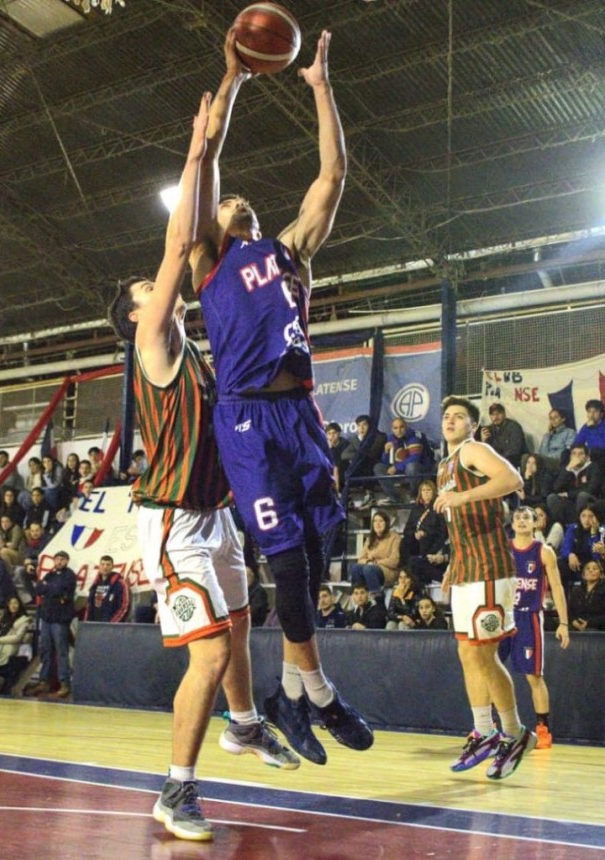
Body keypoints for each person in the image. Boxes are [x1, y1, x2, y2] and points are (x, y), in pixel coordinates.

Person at [107, 90, 297, 843]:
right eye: (145, 291)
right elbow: (178, 244)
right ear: (133, 314)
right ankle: (175, 791)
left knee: (243, 623)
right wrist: (198, 151)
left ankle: (245, 726)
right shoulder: (151, 345)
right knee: (211, 652)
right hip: (173, 524)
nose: (157, 288)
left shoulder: (198, 354)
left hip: (216, 515)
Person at [189, 28, 373, 770]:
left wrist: (321, 88)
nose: (240, 204)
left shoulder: (288, 252)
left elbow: (332, 175)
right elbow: (207, 167)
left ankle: (293, 692)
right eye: (230, 203)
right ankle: (315, 689)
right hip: (243, 413)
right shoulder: (208, 259)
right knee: (288, 559)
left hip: (300, 410)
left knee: (321, 542)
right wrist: (231, 81)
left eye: (245, 203)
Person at [434, 395, 534, 780]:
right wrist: (453, 564)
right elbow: (460, 522)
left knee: (485, 655)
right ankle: (484, 730)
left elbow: (513, 479)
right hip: (466, 567)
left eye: (459, 416)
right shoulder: (445, 464)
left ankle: (514, 733)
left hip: (490, 568)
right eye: (446, 416)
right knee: (467, 654)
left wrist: (462, 495)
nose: (451, 421)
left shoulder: (474, 450)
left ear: (472, 425)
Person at [501, 507, 570, 749]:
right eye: (517, 517)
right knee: (491, 671)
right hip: (502, 616)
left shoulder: (544, 551)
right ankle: (488, 730)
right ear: (512, 522)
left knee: (534, 676)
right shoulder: (503, 549)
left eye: (526, 518)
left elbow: (558, 588)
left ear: (535, 523)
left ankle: (543, 730)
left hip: (528, 617)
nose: (521, 521)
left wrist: (563, 622)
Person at [35, 549, 77, 699]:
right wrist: (50, 589)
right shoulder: (50, 574)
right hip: (46, 617)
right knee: (45, 650)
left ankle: (64, 683)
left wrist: (49, 588)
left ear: (67, 561)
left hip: (60, 619)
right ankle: (44, 680)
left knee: (61, 652)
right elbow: (39, 589)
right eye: (57, 559)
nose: (59, 562)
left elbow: (60, 590)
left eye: (62, 559)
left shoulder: (70, 575)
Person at [374, 417, 425, 503]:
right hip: (400, 471)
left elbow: (415, 457)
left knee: (412, 466)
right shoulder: (391, 438)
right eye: (396, 428)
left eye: (401, 427)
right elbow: (386, 462)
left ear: (406, 427)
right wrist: (386, 452)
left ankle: (414, 495)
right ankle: (394, 497)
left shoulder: (414, 436)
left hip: (419, 470)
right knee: (378, 467)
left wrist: (396, 467)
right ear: (392, 429)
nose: (399, 430)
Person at [348, 510, 401, 593]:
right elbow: (361, 559)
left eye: (381, 521)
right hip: (370, 567)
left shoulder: (394, 537)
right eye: (375, 521)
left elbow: (394, 561)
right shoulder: (370, 539)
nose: (377, 524)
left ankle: (377, 599)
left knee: (368, 569)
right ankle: (359, 596)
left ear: (386, 523)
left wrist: (376, 562)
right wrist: (368, 561)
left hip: (388, 570)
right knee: (355, 568)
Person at [568, 559, 605, 631]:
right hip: (576, 627)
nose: (591, 570)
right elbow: (570, 611)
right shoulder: (576, 590)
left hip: (599, 629)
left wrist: (589, 623)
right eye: (588, 568)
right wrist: (574, 622)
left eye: (595, 568)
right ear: (583, 574)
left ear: (601, 574)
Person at [85, 554, 130, 623]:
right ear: (99, 566)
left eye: (108, 565)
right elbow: (89, 605)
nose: (105, 567)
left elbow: (124, 606)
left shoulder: (120, 584)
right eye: (102, 564)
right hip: (94, 625)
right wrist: (86, 622)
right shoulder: (95, 584)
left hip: (111, 627)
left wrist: (112, 624)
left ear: (112, 567)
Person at [481, 403, 527, 469]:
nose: (495, 417)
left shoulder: (514, 427)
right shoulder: (489, 429)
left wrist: (497, 459)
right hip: (497, 461)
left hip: (514, 460)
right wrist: (484, 441)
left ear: (504, 414)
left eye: (498, 414)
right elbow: (487, 451)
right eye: (493, 414)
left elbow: (514, 450)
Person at [574, 399, 605, 467]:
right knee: (566, 453)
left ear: (601, 414)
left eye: (595, 412)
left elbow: (602, 445)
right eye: (589, 412)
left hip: (604, 454)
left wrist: (592, 428)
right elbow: (577, 443)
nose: (591, 415)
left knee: (596, 451)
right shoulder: (586, 426)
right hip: (590, 453)